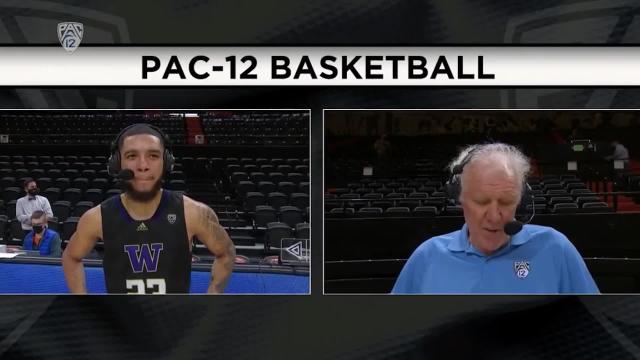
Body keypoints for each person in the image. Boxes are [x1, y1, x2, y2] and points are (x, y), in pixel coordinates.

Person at [392, 143, 599, 294]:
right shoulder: (427, 257)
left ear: (521, 201)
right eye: (481, 201)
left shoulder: (555, 248)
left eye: (506, 201)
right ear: (459, 198)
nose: (494, 216)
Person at [62, 124, 236, 294]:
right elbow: (71, 257)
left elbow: (226, 253)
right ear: (117, 163)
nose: (143, 165)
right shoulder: (96, 218)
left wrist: (213, 294)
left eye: (153, 155)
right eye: (131, 156)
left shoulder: (193, 213)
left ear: (166, 161)